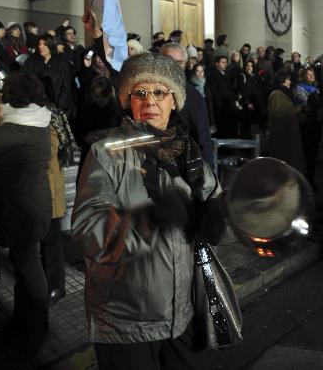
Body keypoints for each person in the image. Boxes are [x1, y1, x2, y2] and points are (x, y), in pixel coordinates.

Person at [72, 52, 224, 370]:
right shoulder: (107, 153)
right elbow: (87, 229)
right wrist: (145, 220)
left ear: (174, 101)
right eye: (140, 93)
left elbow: (213, 197)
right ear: (128, 101)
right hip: (126, 322)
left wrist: (219, 213)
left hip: (182, 314)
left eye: (159, 92)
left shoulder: (188, 152)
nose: (150, 100)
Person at [0, 70, 52, 357]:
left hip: (24, 212)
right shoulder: (36, 120)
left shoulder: (16, 128)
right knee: (23, 262)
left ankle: (35, 331)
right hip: (30, 208)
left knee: (28, 267)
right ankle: (23, 323)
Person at [160, 42, 214, 167]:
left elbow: (203, 140)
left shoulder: (193, 97)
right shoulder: (144, 93)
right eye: (168, 60)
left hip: (182, 170)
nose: (173, 66)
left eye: (179, 62)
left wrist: (208, 178)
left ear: (185, 64)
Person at [23, 35, 74, 114]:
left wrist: (59, 105)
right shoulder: (31, 60)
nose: (41, 46)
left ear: (51, 45)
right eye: (40, 44)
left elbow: (66, 85)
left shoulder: (61, 61)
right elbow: (23, 79)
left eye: (44, 44)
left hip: (59, 106)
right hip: (37, 107)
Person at [267, 71, 305, 174]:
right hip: (282, 136)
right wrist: (298, 109)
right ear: (282, 81)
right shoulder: (276, 94)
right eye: (288, 79)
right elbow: (279, 112)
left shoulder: (284, 93)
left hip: (288, 134)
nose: (290, 81)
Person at [293, 67, 323, 185]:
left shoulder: (316, 89)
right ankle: (302, 180)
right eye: (308, 74)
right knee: (305, 152)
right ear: (303, 76)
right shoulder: (299, 88)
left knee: (313, 154)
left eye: (312, 74)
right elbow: (306, 105)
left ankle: (310, 179)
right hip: (306, 125)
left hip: (316, 123)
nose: (311, 76)